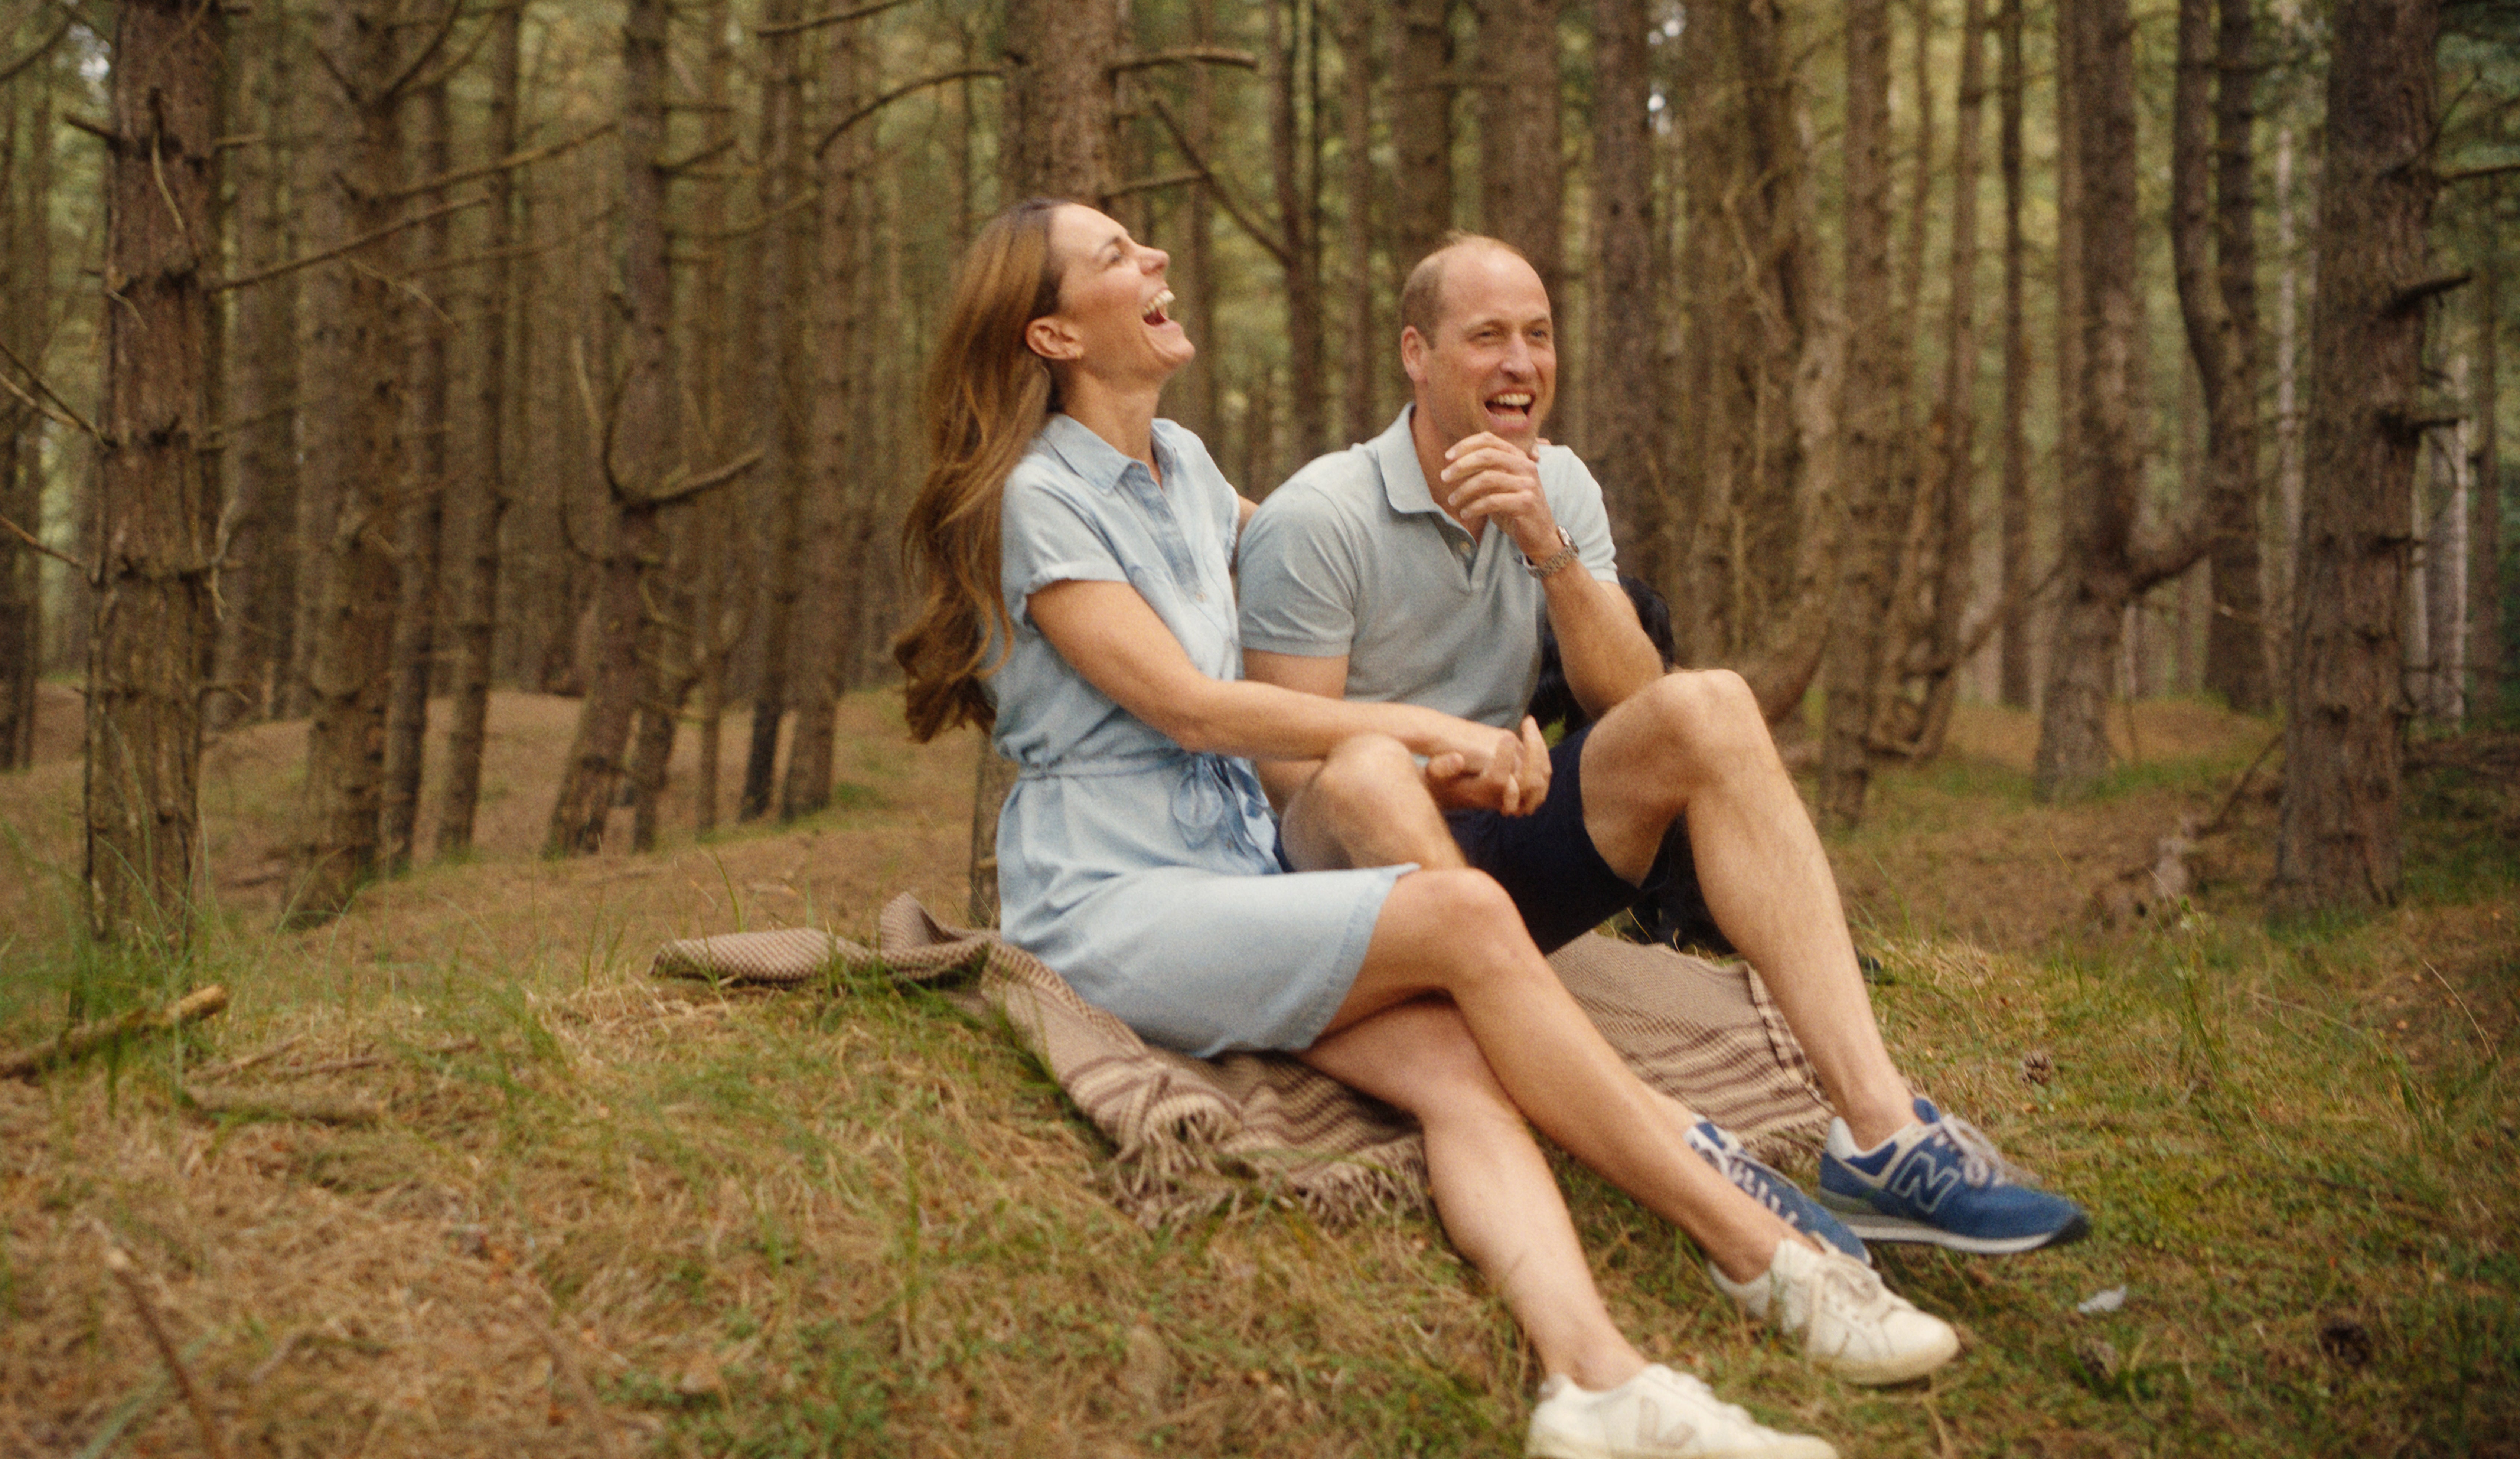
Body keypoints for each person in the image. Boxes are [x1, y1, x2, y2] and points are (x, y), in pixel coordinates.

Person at [896, 199, 1958, 1459]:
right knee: (1463, 915)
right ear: (1054, 331)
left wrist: (1503, 644)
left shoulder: (1182, 468)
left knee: (1460, 1070)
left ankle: (1598, 1384)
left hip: (1241, 879)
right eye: (1117, 256)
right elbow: (1185, 707)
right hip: (1114, 897)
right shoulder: (1037, 499)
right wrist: (1427, 732)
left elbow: (1306, 548)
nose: (1155, 259)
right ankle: (1756, 1243)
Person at [1237, 233, 2091, 1256]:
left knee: (1712, 706)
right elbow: (1286, 770)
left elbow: (1633, 702)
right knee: (1369, 774)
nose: (1521, 362)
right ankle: (1657, 1134)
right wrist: (1440, 773)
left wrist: (1546, 546)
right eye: (1488, 337)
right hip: (1358, 886)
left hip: (1505, 843)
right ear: (1418, 356)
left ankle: (1881, 1133)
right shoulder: (1320, 517)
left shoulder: (1564, 489)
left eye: (1540, 337)